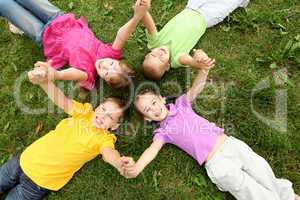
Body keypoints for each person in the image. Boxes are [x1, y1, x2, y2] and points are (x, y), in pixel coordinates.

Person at [122, 50, 299, 200]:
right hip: (216, 163)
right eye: (147, 109)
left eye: (153, 102)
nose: (153, 109)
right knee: (248, 189)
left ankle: (287, 196)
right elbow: (151, 151)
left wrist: (204, 70)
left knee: (260, 168)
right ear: (147, 118)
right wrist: (137, 168)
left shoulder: (181, 105)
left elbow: (196, 88)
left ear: (161, 99)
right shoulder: (163, 132)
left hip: (230, 145)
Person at [0, 60, 131, 199]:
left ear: (115, 126)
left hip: (39, 182)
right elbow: (61, 100)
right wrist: (44, 82)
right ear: (97, 107)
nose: (102, 116)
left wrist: (118, 162)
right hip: (23, 160)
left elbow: (109, 153)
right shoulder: (85, 112)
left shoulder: (104, 139)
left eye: (110, 116)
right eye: (103, 109)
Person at [0, 0, 151, 90]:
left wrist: (57, 75)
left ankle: (18, 24)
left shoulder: (88, 74)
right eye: (112, 64)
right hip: (59, 19)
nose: (105, 66)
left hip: (44, 35)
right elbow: (121, 35)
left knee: (5, 4)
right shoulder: (109, 53)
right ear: (116, 59)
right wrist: (137, 16)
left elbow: (69, 74)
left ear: (103, 79)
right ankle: (19, 24)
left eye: (106, 73)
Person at [139, 0, 250, 80]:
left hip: (191, 7)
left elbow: (150, 26)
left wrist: (142, 11)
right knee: (227, 3)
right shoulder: (175, 59)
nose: (159, 54)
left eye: (154, 55)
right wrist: (197, 64)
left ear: (148, 54)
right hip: (207, 17)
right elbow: (188, 60)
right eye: (161, 60)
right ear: (167, 66)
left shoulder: (154, 43)